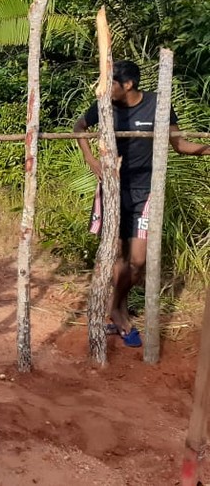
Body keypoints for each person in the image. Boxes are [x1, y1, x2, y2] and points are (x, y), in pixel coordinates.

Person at [74, 59, 210, 347]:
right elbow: (79, 127)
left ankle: (114, 305)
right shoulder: (104, 105)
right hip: (112, 190)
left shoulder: (157, 105)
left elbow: (179, 144)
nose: (104, 88)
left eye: (110, 83)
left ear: (128, 85)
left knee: (137, 262)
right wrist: (91, 159)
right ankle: (120, 313)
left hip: (144, 192)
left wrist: (206, 149)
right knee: (117, 257)